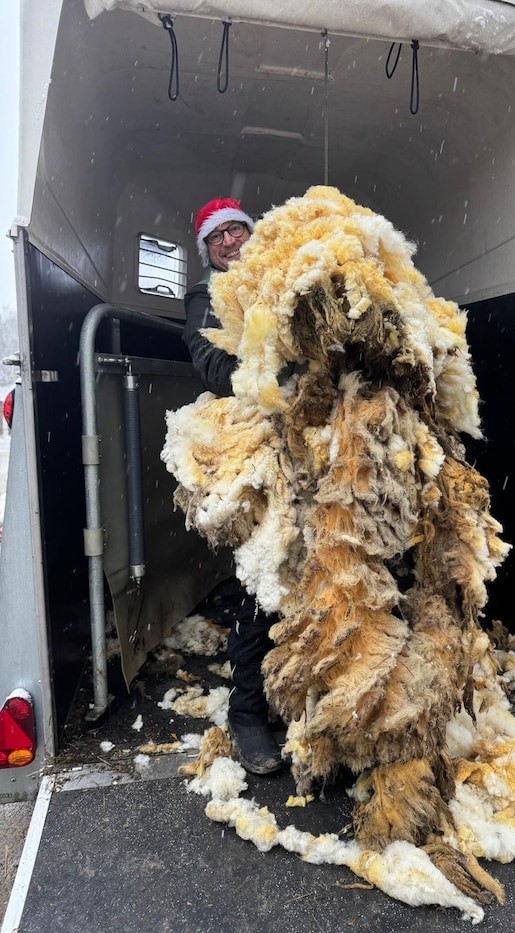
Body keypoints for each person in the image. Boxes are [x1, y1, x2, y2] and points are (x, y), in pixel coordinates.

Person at [183, 197, 282, 775]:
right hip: (250, 444)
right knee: (261, 577)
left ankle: (306, 693)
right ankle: (248, 715)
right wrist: (277, 377)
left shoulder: (276, 281)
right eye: (217, 237)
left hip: (299, 436)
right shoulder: (205, 297)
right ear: (207, 248)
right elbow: (213, 366)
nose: (229, 242)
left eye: (236, 230)